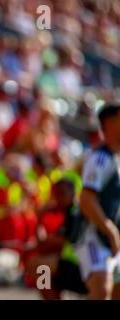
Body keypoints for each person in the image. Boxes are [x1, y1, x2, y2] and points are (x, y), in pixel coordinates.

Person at [74, 102, 120, 300]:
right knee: (101, 288)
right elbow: (86, 200)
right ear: (109, 123)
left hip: (112, 238)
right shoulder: (100, 159)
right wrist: (110, 230)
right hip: (94, 236)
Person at [25, 178, 87, 299]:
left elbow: (45, 245)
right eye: (56, 194)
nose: (58, 198)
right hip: (77, 266)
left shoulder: (75, 213)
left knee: (39, 266)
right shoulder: (70, 212)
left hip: (84, 269)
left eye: (62, 193)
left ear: (74, 193)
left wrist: (40, 215)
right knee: (40, 266)